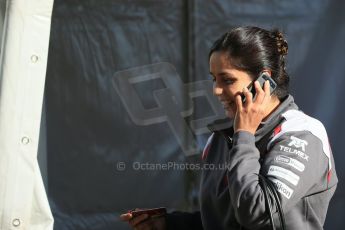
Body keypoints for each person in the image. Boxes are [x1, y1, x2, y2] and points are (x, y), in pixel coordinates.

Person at [120, 26, 338, 230]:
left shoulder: (302, 133)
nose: (216, 90)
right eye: (214, 79)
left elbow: (256, 212)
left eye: (227, 79)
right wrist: (170, 223)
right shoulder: (221, 138)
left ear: (264, 80)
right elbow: (224, 219)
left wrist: (245, 135)